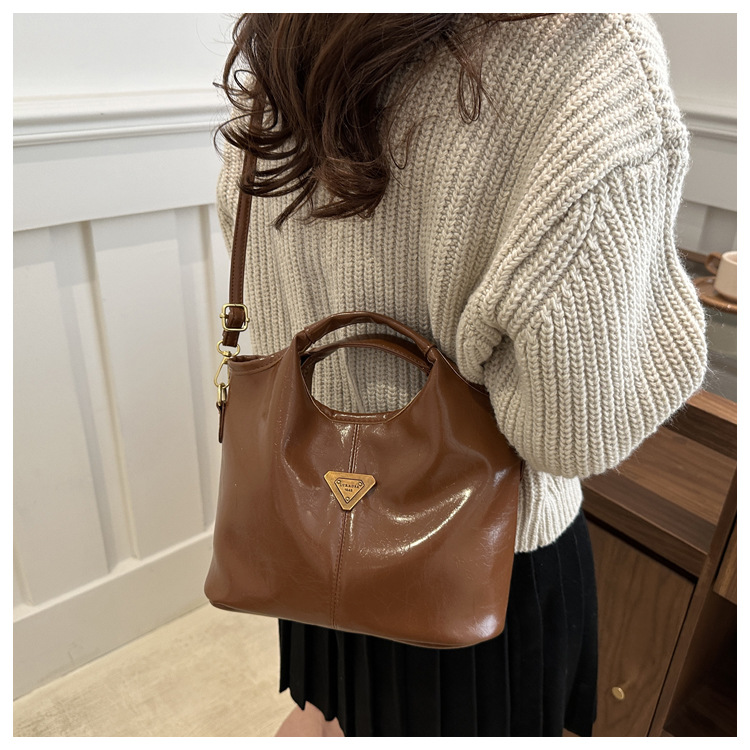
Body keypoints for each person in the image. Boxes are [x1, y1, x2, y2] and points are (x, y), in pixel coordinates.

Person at [214, 13, 708, 737]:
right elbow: (574, 434)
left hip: (309, 528)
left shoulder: (284, 39)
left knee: (329, 716)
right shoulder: (589, 50)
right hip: (480, 564)